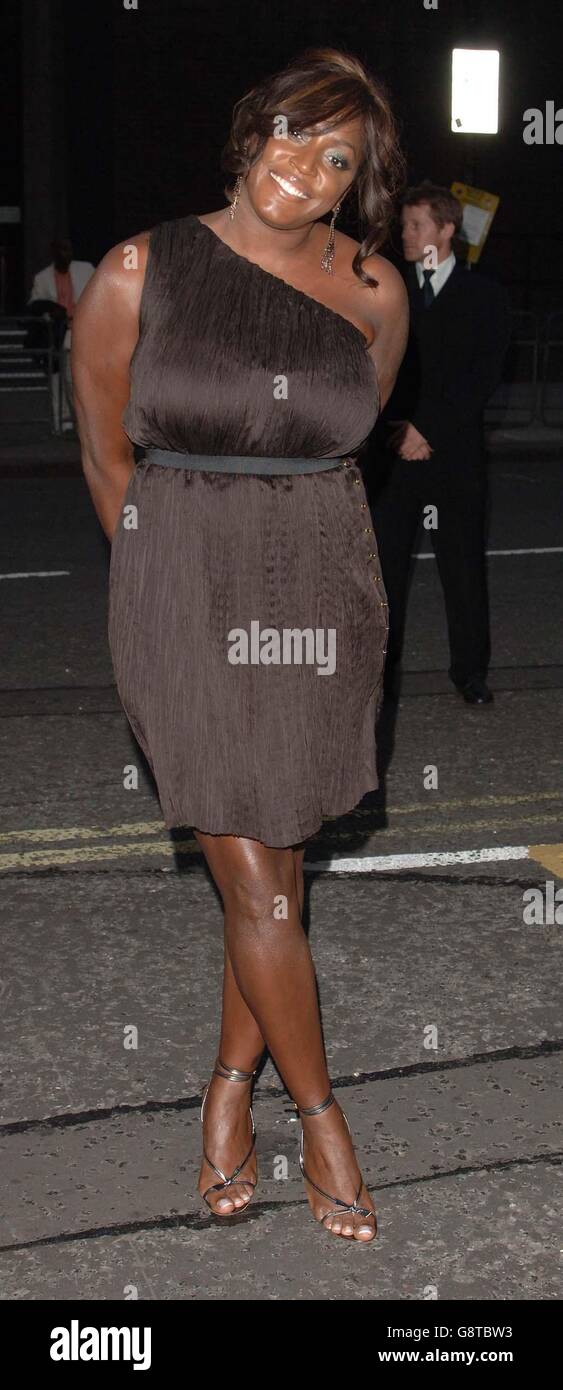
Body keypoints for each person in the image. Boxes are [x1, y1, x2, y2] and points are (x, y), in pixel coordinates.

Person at [71, 47, 408, 1243]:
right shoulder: (139, 267)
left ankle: (224, 1089)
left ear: (355, 186)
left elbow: (345, 439)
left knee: (273, 868)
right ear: (250, 127)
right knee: (260, 884)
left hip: (318, 588)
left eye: (336, 160)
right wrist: (161, 577)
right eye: (290, 134)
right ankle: (321, 1122)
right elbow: (108, 451)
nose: (301, 168)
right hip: (182, 591)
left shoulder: (372, 291)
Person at [369, 181, 511, 704]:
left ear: (447, 230)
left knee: (464, 567)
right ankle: (379, 677)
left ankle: (470, 673)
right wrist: (400, 429)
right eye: (404, 225)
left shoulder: (485, 295)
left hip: (454, 457)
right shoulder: (387, 288)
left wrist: (426, 429)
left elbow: (483, 375)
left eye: (416, 225)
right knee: (384, 573)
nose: (405, 235)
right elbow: (375, 364)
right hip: (392, 455)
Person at [29, 236, 95, 430]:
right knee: (59, 379)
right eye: (60, 251)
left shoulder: (85, 270)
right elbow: (35, 305)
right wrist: (50, 314)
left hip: (82, 332)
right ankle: (63, 421)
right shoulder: (42, 278)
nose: (65, 255)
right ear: (54, 253)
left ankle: (79, 421)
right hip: (58, 333)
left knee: (74, 380)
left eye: (67, 250)